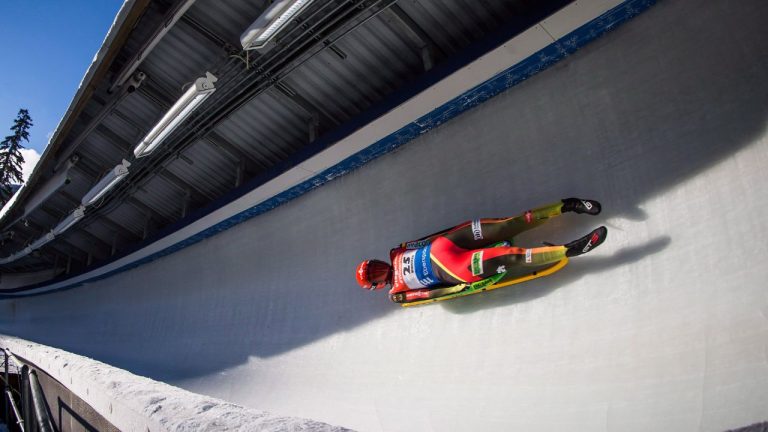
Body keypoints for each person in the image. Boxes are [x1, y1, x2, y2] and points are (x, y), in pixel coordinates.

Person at [355, 198, 607, 303]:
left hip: (449, 242)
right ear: (378, 285)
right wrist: (464, 288)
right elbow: (431, 294)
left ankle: (567, 205)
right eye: (376, 274)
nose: (381, 269)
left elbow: (426, 240)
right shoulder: (397, 294)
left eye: (375, 265)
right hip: (454, 267)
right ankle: (570, 249)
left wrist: (456, 231)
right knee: (513, 256)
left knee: (507, 225)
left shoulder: (396, 252)